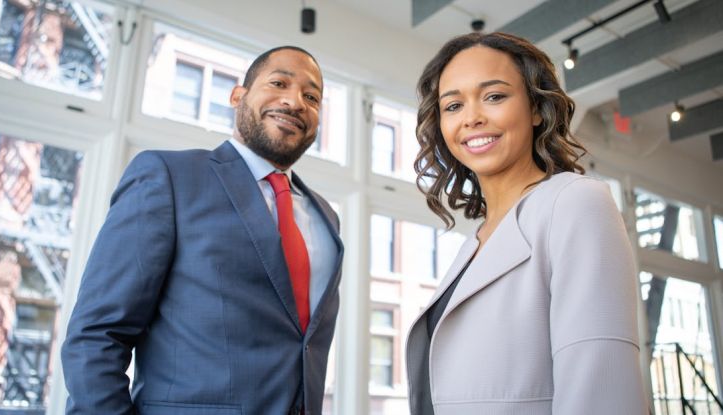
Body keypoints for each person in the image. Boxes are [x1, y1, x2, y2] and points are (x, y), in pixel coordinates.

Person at [61, 46, 344, 415]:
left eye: (312, 97)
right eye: (278, 83)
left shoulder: (325, 216)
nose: (295, 102)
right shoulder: (168, 177)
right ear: (237, 96)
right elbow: (96, 336)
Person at [405, 32, 648, 414]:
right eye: (453, 105)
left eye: (495, 96)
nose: (472, 118)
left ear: (536, 108)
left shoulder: (575, 202)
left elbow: (601, 392)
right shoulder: (477, 239)